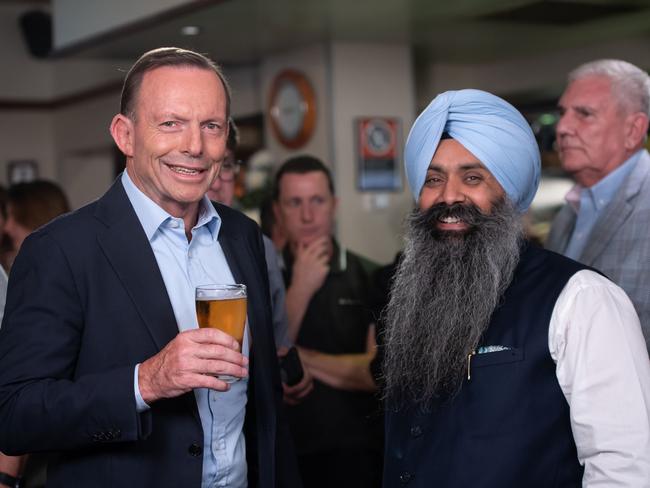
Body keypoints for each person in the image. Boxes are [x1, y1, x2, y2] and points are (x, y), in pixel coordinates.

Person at [0, 47, 300, 488]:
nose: (194, 146)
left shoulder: (242, 236)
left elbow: (265, 410)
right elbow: (15, 413)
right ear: (125, 135)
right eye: (171, 124)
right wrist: (145, 382)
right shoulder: (60, 250)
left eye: (211, 126)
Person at [382, 89, 650, 487]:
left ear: (510, 190)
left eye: (472, 178)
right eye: (433, 179)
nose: (449, 196)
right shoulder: (414, 298)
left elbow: (624, 467)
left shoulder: (583, 299)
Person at [273, 155, 382, 488]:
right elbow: (258, 372)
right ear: (278, 211)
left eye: (317, 201)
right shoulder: (262, 277)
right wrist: (300, 288)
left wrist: (300, 357)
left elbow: (376, 374)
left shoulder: (371, 275)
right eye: (295, 203)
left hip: (358, 455)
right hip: (287, 457)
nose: (308, 216)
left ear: (334, 205)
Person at [546, 59, 650, 351]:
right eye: (563, 113)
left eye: (584, 114)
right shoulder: (568, 214)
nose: (563, 127)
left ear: (633, 129)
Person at [207, 119, 313, 404]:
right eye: (206, 165)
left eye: (225, 166)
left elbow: (278, 342)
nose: (216, 182)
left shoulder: (259, 246)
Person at [0, 180, 70, 488]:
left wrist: (5, 476)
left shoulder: (43, 272)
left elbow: (26, 380)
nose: (7, 226)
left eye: (12, 216)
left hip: (34, 448)